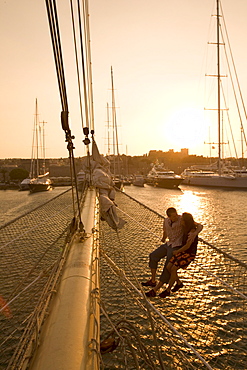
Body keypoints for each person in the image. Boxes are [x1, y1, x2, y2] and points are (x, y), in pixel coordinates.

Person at [142, 208, 202, 297]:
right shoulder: (166, 220)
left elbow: (200, 226)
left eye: (176, 214)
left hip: (177, 246)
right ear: (169, 217)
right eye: (174, 216)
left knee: (168, 267)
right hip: (169, 244)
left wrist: (195, 233)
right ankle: (153, 280)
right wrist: (163, 238)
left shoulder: (182, 219)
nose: (176, 217)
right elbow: (165, 230)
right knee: (153, 256)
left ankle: (156, 290)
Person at [158, 212, 199, 298]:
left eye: (183, 220)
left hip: (189, 253)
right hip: (183, 252)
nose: (181, 221)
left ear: (186, 221)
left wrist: (177, 252)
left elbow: (188, 246)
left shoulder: (191, 231)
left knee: (173, 269)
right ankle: (179, 283)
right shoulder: (184, 228)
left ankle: (168, 290)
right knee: (168, 267)